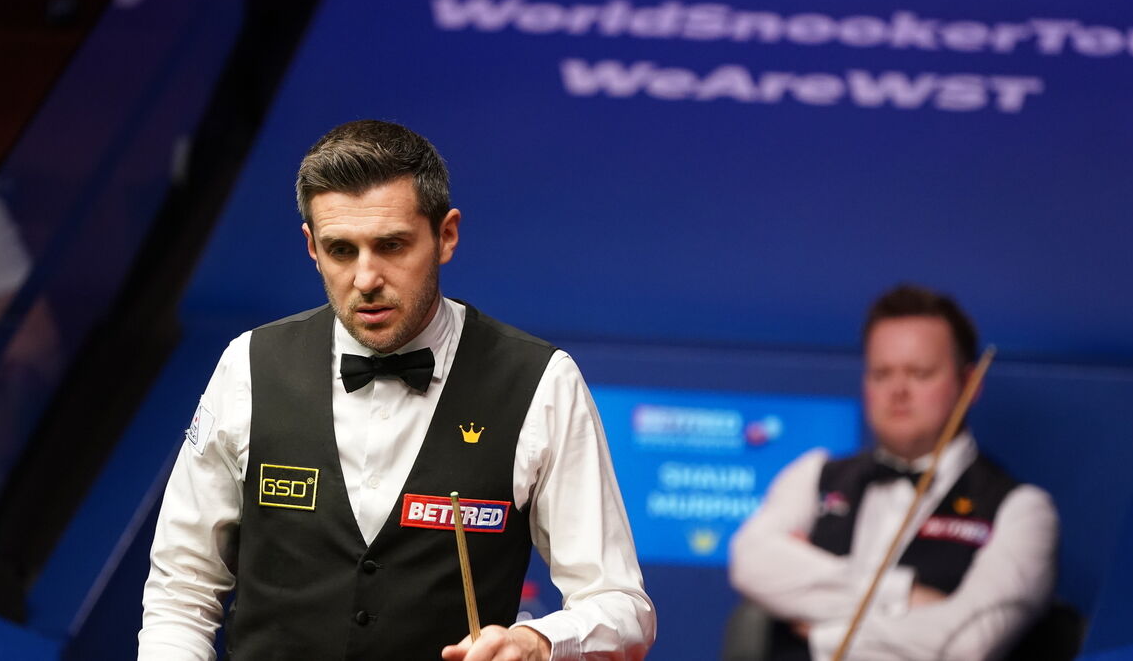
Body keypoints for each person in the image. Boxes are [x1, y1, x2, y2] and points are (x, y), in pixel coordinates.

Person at [139, 120, 655, 660]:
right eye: (341, 250)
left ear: (446, 236)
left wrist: (536, 643)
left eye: (391, 245)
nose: (366, 279)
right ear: (312, 246)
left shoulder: (540, 381)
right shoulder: (248, 366)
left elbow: (621, 606)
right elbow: (181, 591)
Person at [728, 284, 1058, 660]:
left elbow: (964, 644)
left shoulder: (1023, 510)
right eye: (881, 374)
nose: (898, 390)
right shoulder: (814, 474)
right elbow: (749, 564)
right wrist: (902, 595)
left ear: (969, 384)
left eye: (920, 373)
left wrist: (823, 633)